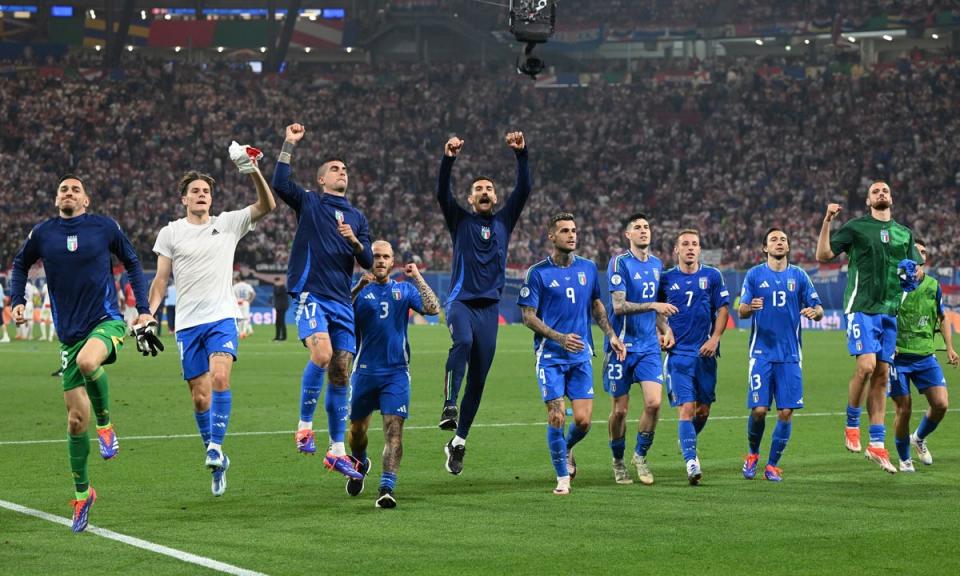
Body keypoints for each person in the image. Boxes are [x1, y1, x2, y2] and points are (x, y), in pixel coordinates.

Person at [9, 174, 159, 532]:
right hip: (69, 334)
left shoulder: (104, 227)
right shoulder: (43, 233)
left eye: (76, 189)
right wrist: (17, 300)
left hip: (106, 320)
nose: (69, 192)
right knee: (76, 421)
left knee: (88, 361)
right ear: (56, 199)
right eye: (63, 188)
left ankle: (106, 425)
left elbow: (133, 262)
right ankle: (82, 494)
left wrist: (143, 308)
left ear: (86, 200)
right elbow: (19, 265)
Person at [148, 143, 275, 496]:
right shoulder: (170, 232)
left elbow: (268, 205)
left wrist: (252, 170)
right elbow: (160, 279)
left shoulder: (228, 224)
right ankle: (215, 455)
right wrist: (150, 312)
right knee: (200, 398)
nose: (202, 195)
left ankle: (216, 447)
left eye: (206, 191)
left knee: (221, 377)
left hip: (222, 317)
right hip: (188, 324)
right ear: (184, 199)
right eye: (195, 191)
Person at [272, 122, 372, 480]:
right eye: (334, 169)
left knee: (341, 374)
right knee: (322, 354)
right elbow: (280, 184)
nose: (341, 171)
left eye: (344, 169)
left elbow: (370, 264)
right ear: (321, 181)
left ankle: (336, 451)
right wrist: (288, 144)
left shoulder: (357, 218)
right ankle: (302, 426)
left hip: (343, 302)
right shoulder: (311, 202)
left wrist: (356, 243)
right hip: (313, 294)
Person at [437, 131, 532, 475]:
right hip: (461, 301)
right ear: (469, 197)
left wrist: (521, 155)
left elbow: (524, 191)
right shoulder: (460, 220)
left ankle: (458, 443)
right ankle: (449, 405)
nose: (484, 192)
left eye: (489, 188)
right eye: (478, 189)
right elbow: (440, 192)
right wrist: (448, 158)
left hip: (489, 310)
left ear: (495, 196)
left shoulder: (504, 222)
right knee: (461, 341)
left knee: (479, 380)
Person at [816, 180, 921, 474]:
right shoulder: (856, 227)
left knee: (882, 375)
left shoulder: (904, 234)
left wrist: (914, 276)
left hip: (889, 312)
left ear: (892, 198)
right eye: (875, 191)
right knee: (866, 366)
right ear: (867, 200)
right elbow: (823, 256)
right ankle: (851, 423)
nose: (881, 193)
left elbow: (915, 269)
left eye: (885, 190)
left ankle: (876, 444)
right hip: (861, 308)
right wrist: (827, 221)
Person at [519, 213, 625, 495]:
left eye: (574, 230)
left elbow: (597, 306)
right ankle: (562, 478)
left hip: (580, 356)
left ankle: (564, 447)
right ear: (551, 236)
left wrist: (611, 335)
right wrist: (559, 338)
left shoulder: (589, 268)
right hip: (550, 356)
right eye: (565, 230)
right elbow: (528, 317)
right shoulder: (537, 273)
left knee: (583, 421)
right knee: (556, 416)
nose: (571, 235)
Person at [346, 241, 441, 508]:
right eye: (376, 256)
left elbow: (433, 309)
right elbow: (340, 316)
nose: (380, 260)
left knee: (394, 432)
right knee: (356, 431)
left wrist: (418, 277)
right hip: (364, 372)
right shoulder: (360, 292)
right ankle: (361, 462)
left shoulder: (404, 290)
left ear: (392, 262)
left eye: (385, 257)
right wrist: (356, 289)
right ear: (369, 260)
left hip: (396, 374)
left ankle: (386, 487)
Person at [738, 228, 824, 482]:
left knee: (786, 412)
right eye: (774, 239)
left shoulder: (799, 276)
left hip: (790, 355)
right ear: (765, 248)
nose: (779, 242)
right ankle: (753, 454)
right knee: (759, 410)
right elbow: (741, 310)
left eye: (783, 239)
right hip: (761, 354)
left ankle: (772, 465)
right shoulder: (754, 275)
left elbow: (817, 308)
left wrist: (815, 313)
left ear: (788, 247)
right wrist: (749, 307)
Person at [604, 212, 676, 485]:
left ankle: (640, 456)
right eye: (638, 227)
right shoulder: (619, 263)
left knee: (654, 403)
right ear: (628, 235)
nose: (644, 231)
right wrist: (654, 306)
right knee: (620, 410)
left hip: (647, 347)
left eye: (646, 226)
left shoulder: (657, 264)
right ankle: (618, 460)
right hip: (621, 346)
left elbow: (655, 310)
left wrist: (665, 329)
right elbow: (619, 306)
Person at [658, 229, 731, 485]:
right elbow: (655, 311)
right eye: (685, 244)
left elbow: (723, 309)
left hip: (706, 354)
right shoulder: (665, 279)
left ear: (700, 249)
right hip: (678, 355)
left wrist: (715, 337)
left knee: (703, 411)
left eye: (695, 244)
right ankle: (691, 461)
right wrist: (663, 331)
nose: (690, 248)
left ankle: (686, 438)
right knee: (687, 409)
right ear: (676, 250)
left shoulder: (712, 276)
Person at [889, 239, 957, 471]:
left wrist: (949, 347)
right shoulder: (894, 285)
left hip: (925, 355)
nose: (922, 255)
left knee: (941, 404)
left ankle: (918, 438)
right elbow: (882, 316)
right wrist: (888, 344)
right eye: (918, 251)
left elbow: (942, 316)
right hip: (897, 358)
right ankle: (904, 458)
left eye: (924, 252)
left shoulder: (932, 285)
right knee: (904, 409)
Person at [0, 279, 11, 343]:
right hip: (1, 305)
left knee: (1, 322)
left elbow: (2, 297)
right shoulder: (0, 285)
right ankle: (5, 336)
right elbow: (3, 297)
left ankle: (6, 336)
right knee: (1, 321)